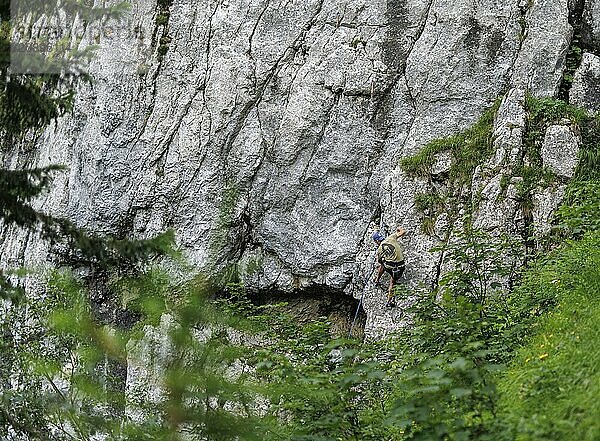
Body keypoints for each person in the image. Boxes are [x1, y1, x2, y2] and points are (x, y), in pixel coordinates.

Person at [372, 227, 406, 307]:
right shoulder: (391, 237)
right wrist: (399, 228)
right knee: (393, 281)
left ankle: (377, 280)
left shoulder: (380, 249)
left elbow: (379, 261)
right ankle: (389, 301)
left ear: (377, 241)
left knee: (384, 266)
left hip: (391, 268)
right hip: (400, 267)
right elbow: (403, 232)